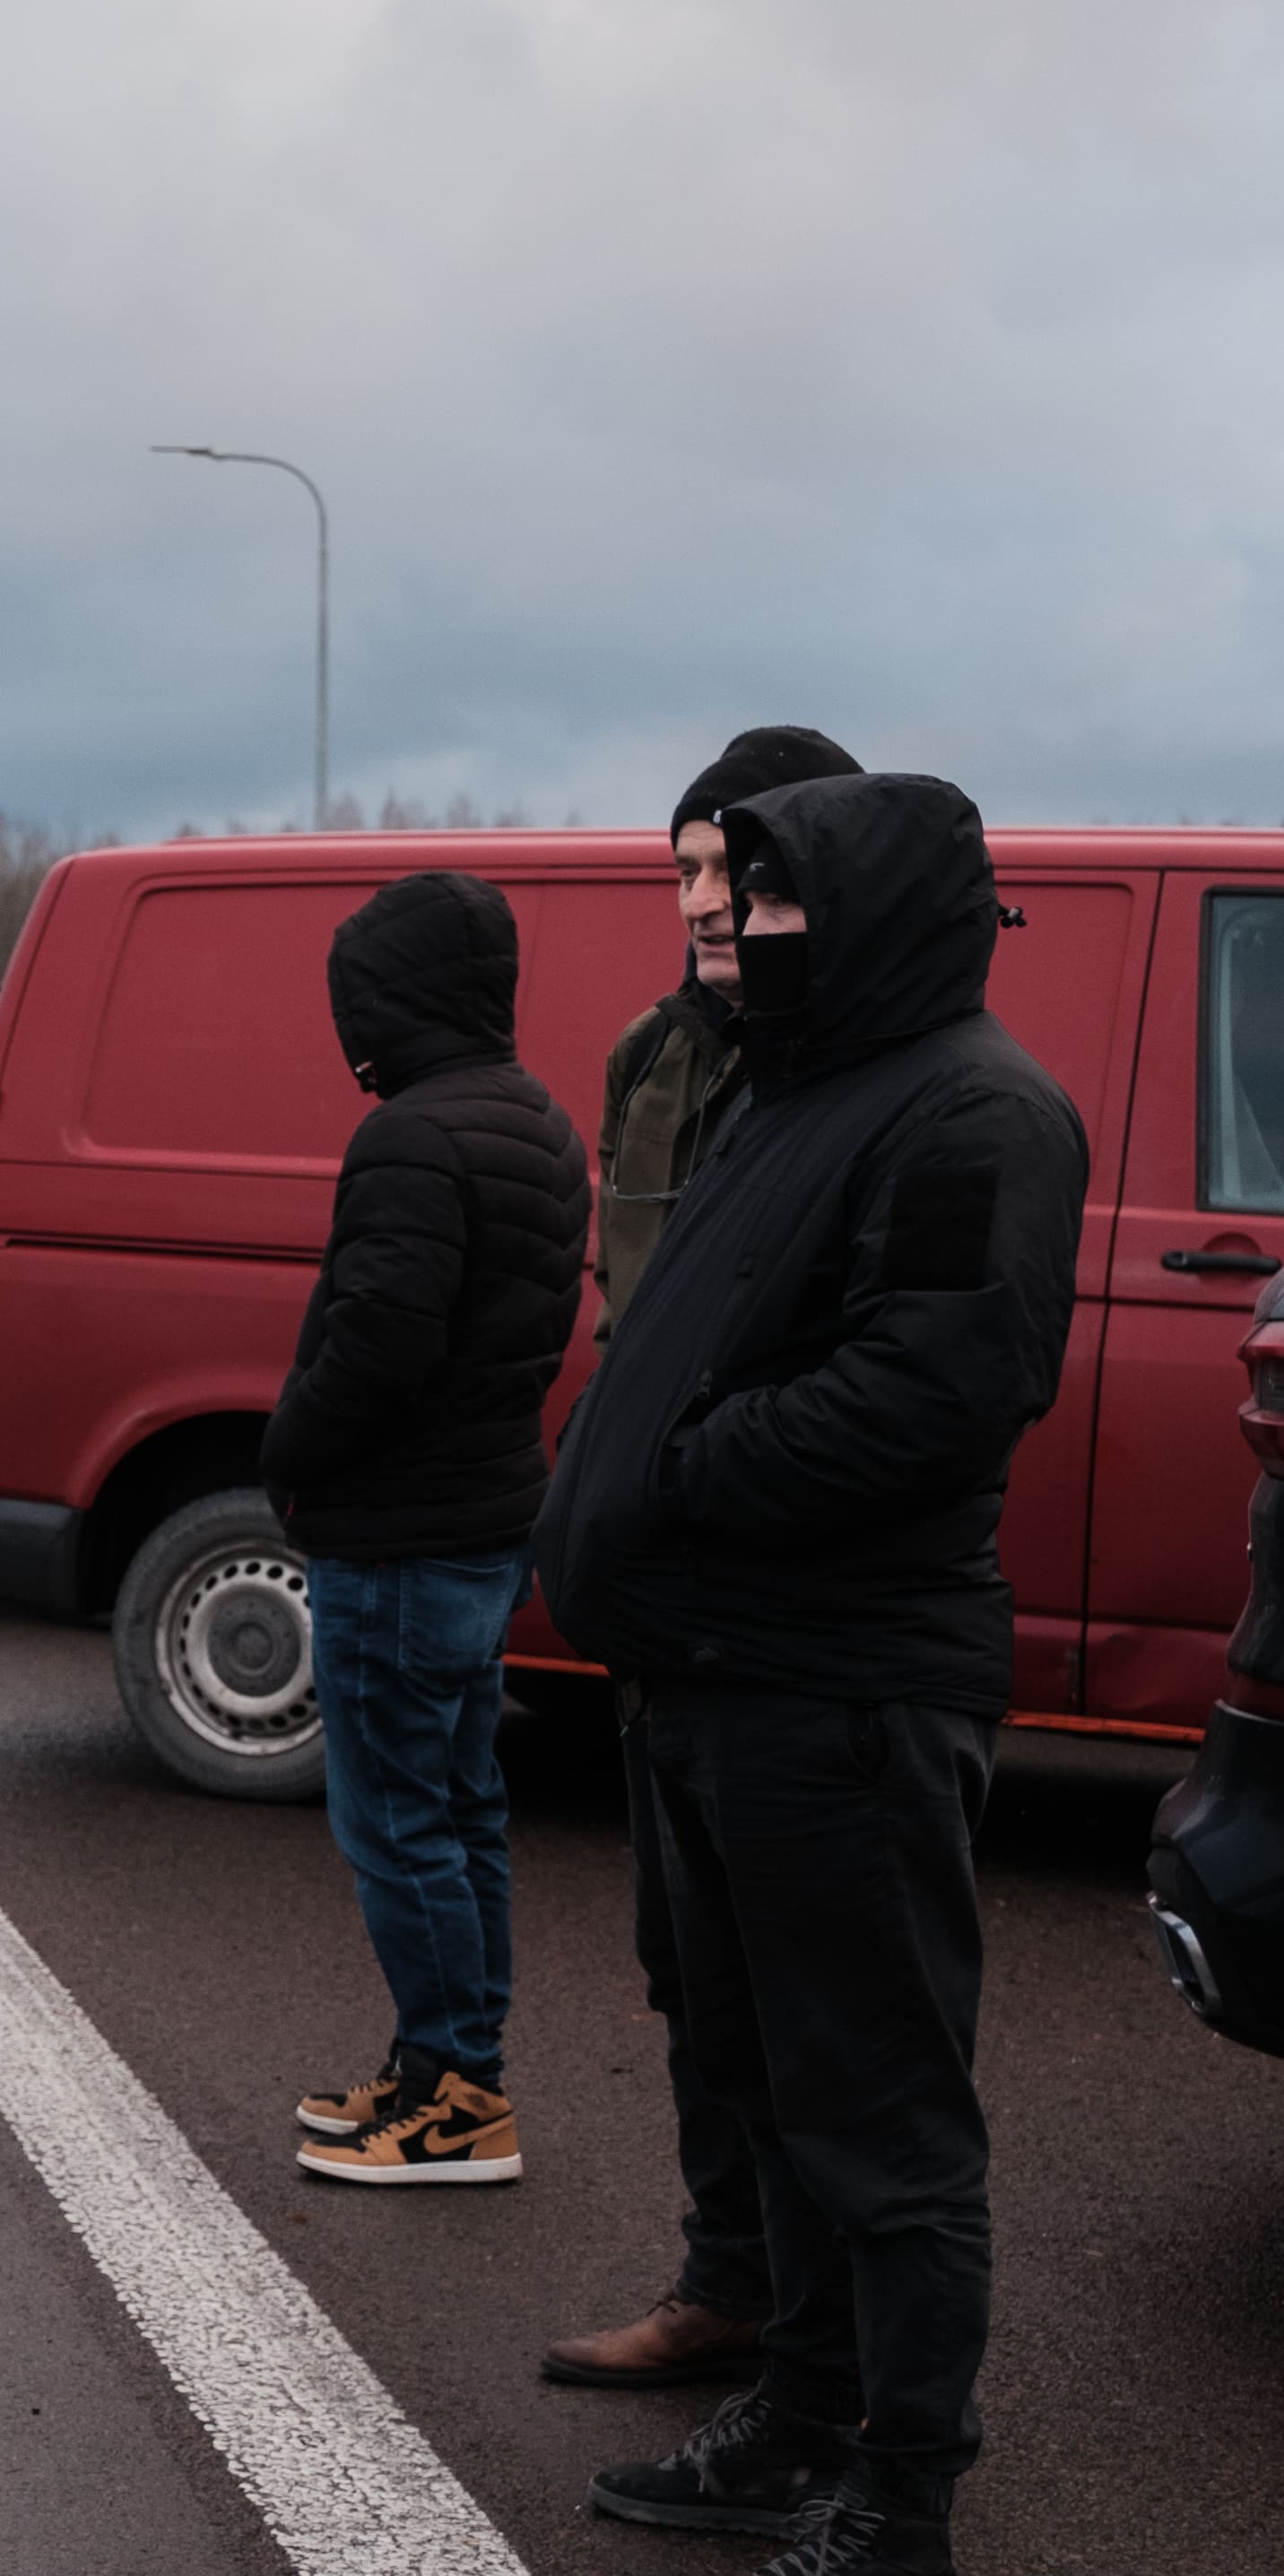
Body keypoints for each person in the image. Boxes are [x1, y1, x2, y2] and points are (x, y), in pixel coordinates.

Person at [533, 771, 1087, 2576]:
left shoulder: (974, 1113)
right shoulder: (803, 1083)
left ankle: (900, 2532)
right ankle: (802, 2417)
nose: (735, 933)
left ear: (866, 918)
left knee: (879, 2117)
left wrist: (672, 1469)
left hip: (839, 1687)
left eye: (768, 905)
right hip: (719, 1672)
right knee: (762, 2080)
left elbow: (933, 1390)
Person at [542, 724, 860, 2390]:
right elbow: (626, 1304)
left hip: (791, 1606)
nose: (705, 905)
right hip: (662, 1598)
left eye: (733, 873)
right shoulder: (648, 1059)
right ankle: (726, 2278)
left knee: (817, 2000)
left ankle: (829, 2339)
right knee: (690, 1969)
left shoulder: (859, 1072)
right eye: (682, 873)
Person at [267, 874, 589, 2189]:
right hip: (480, 1520)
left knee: (397, 1823)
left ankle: (458, 2102)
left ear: (389, 1002)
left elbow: (378, 1343)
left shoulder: (411, 1135)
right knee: (459, 1811)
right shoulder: (540, 1120)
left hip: (396, 1539)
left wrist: (288, 1454)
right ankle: (441, 2069)